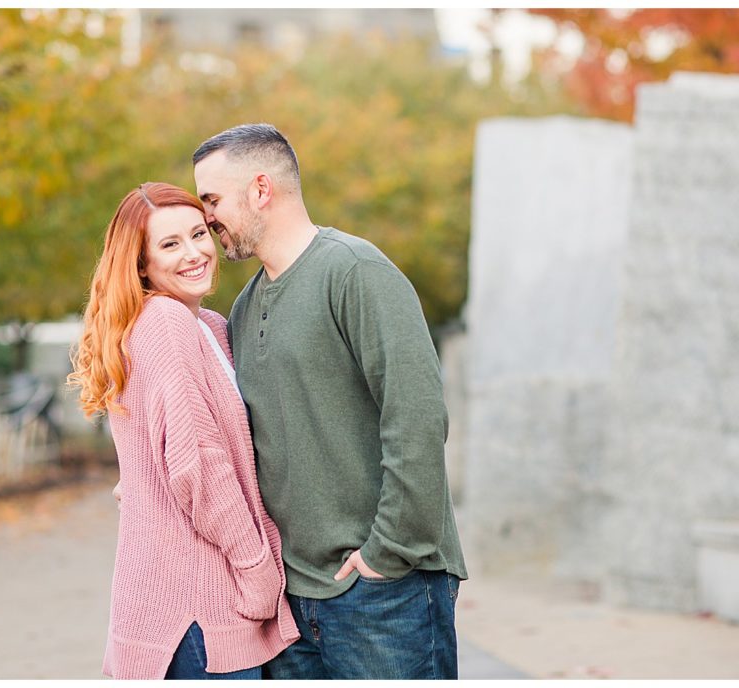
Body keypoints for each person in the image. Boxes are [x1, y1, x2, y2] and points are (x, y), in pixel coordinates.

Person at [191, 124, 469, 680]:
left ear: (261, 189)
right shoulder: (244, 309)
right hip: (292, 605)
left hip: (382, 593)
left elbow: (416, 417)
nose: (207, 220)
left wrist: (386, 554)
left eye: (212, 200)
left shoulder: (354, 271)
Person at [67, 182, 299, 680]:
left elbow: (164, 447)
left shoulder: (209, 326)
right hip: (195, 602)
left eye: (199, 234)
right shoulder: (165, 322)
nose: (194, 253)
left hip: (188, 589)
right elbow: (199, 463)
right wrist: (257, 567)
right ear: (142, 264)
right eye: (170, 244)